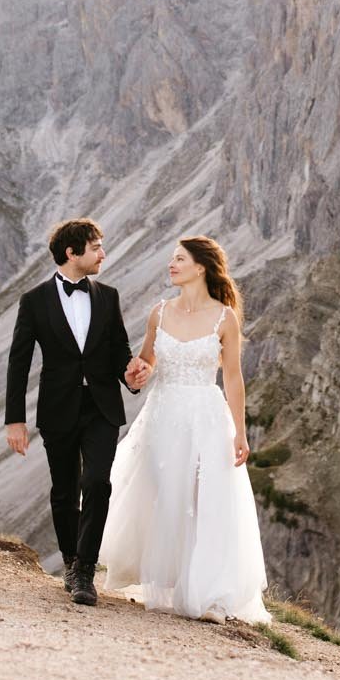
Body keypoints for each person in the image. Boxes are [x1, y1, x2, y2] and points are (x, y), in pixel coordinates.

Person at [94, 235, 268, 622]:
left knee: (205, 498)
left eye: (179, 259)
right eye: (172, 259)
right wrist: (139, 372)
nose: (171, 265)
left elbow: (234, 379)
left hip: (206, 415)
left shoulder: (225, 318)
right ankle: (170, 579)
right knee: (167, 496)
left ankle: (206, 593)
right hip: (163, 414)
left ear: (200, 267)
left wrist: (240, 432)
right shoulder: (160, 312)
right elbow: (146, 361)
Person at [3, 217, 149, 607]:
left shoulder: (108, 295)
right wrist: (14, 420)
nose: (103, 253)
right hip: (59, 407)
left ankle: (85, 569)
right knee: (65, 491)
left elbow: (119, 347)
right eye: (97, 246)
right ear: (72, 252)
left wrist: (130, 375)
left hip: (102, 406)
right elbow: (19, 362)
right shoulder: (34, 301)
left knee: (98, 483)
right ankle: (70, 561)